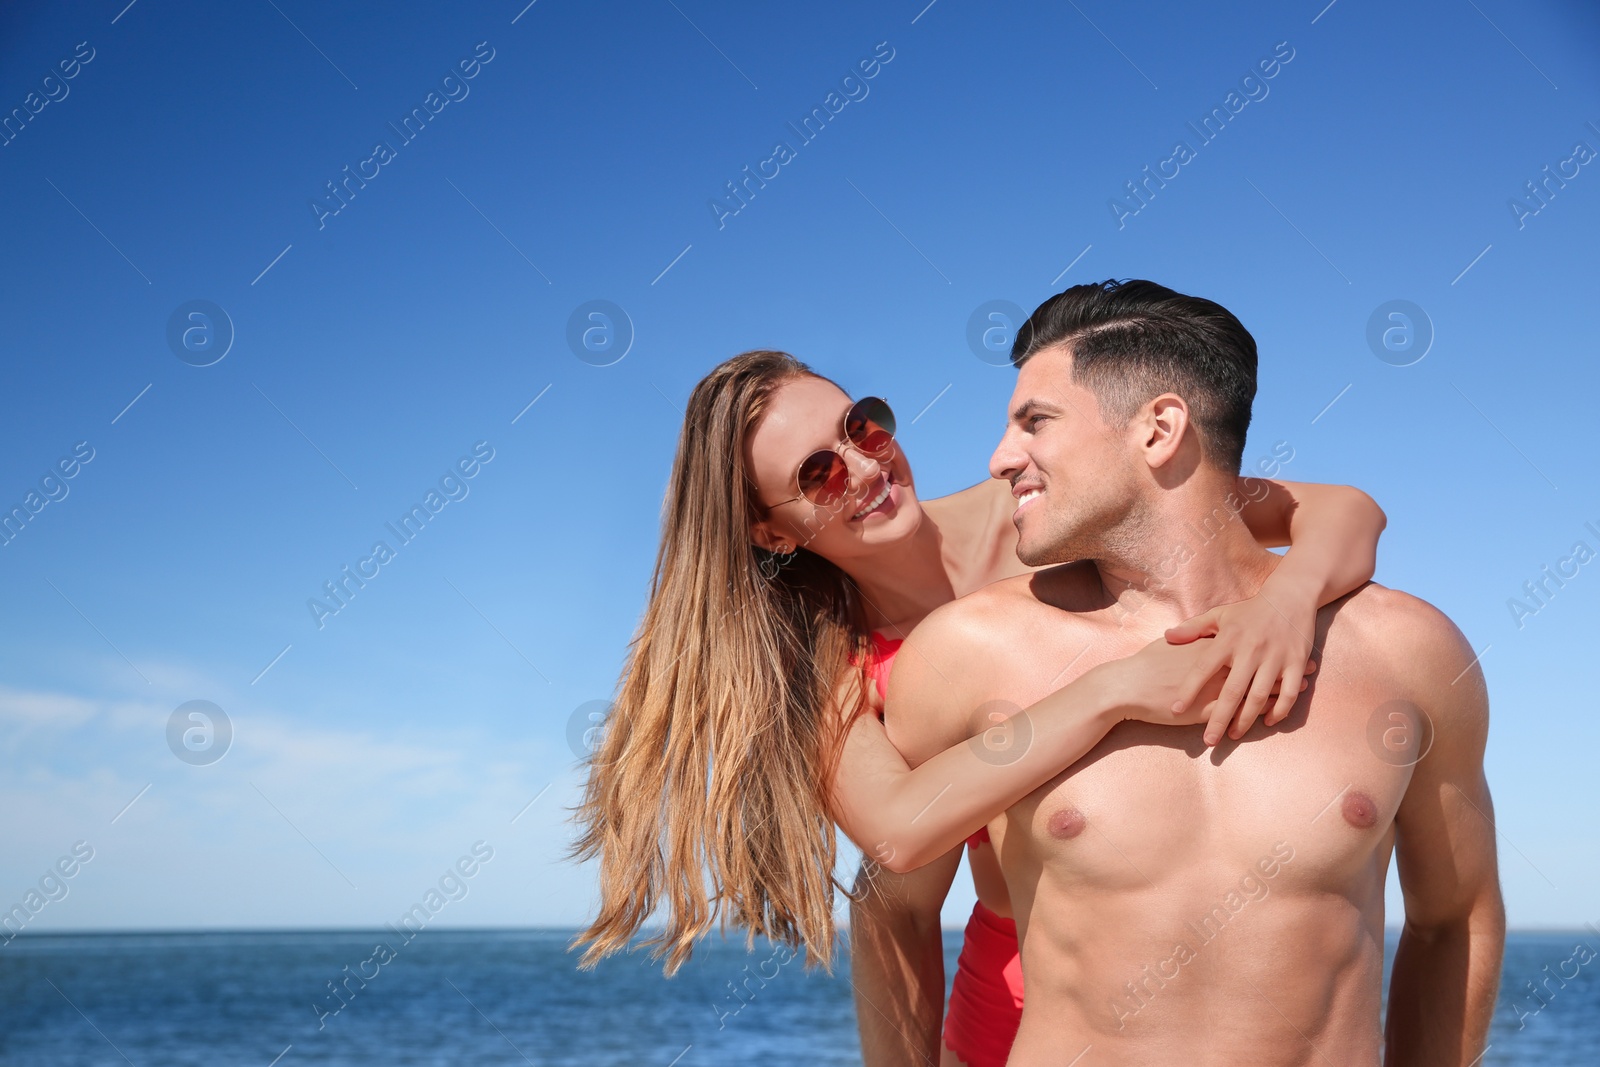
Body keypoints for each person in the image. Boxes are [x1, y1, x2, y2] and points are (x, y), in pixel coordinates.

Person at [569, 346, 1387, 1065]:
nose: (863, 470)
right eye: (816, 476)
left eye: (864, 428)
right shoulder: (825, 666)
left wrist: (1289, 602)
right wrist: (1113, 689)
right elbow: (898, 840)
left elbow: (1343, 509)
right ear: (772, 534)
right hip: (1012, 1013)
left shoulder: (1038, 515)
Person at [885, 279, 1504, 1065]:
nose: (1001, 458)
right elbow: (896, 914)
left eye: (1034, 421)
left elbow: (1456, 916)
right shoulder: (969, 652)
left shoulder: (1406, 651)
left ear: (1160, 429)